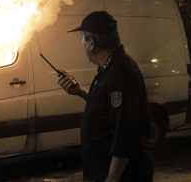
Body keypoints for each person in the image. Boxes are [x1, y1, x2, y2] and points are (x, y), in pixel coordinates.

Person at [58, 11, 154, 182]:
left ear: (92, 43)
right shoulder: (111, 68)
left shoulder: (120, 73)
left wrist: (112, 178)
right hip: (104, 170)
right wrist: (80, 92)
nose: (81, 43)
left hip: (124, 175)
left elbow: (125, 132)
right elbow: (109, 107)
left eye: (82, 37)